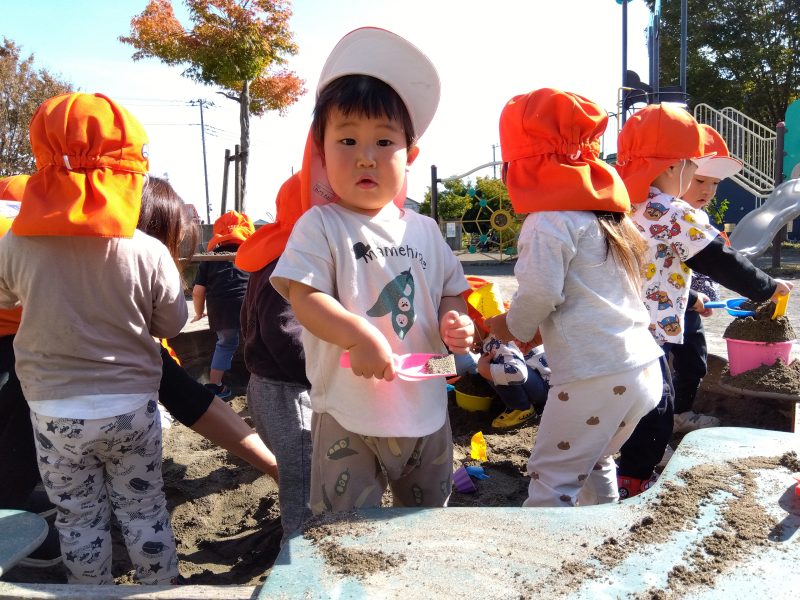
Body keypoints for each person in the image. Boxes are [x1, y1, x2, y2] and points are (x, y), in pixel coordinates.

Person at [0, 173, 279, 568]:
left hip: (55, 402)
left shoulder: (41, 242)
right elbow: (181, 389)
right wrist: (274, 465)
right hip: (40, 368)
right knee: (136, 508)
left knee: (76, 509)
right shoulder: (76, 255)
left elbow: (181, 390)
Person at [270, 27, 474, 515]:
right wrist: (358, 336)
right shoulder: (321, 226)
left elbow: (452, 292)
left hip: (425, 405)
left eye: (384, 141)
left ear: (411, 154)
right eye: (347, 140)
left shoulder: (425, 231)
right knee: (348, 527)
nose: (366, 155)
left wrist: (456, 321)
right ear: (321, 151)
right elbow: (306, 297)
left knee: (426, 520)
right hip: (348, 410)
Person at [0, 92, 186, 584]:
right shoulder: (145, 250)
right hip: (131, 407)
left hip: (54, 410)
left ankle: (89, 593)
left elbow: (2, 300)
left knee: (78, 517)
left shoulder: (16, 242)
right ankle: (159, 589)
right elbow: (172, 323)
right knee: (144, 509)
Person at [486, 87, 664, 507]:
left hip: (595, 375)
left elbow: (541, 292)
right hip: (640, 369)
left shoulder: (547, 222)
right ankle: (603, 540)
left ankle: (544, 562)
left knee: (551, 477)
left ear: (526, 166)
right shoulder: (606, 220)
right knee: (596, 458)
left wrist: (510, 327)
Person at [613, 104, 793, 498]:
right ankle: (635, 480)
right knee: (656, 408)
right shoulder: (671, 209)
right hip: (648, 334)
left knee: (630, 406)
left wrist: (691, 295)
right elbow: (716, 257)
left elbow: (651, 266)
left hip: (620, 325)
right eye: (693, 170)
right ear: (676, 167)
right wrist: (767, 288)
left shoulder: (625, 205)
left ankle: (617, 468)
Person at [668, 124, 741, 433]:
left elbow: (706, 265)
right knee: (659, 370)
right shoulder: (669, 214)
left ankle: (679, 414)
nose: (707, 191)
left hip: (691, 308)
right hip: (666, 307)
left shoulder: (700, 217)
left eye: (714, 183)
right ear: (675, 173)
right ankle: (659, 420)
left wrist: (705, 295)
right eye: (699, 180)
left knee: (694, 363)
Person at [192, 210, 254, 399]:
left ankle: (215, 386)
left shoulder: (209, 258)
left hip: (221, 309)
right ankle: (261, 384)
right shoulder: (252, 254)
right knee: (255, 343)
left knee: (226, 344)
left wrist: (199, 312)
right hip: (248, 305)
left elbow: (197, 291)